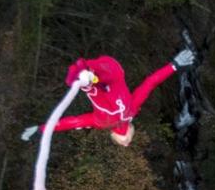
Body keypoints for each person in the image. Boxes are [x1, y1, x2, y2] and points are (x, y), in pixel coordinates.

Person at [21, 49, 195, 146]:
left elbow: (150, 83)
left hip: (108, 75)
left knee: (96, 87)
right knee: (94, 86)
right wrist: (41, 130)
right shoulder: (105, 120)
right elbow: (69, 122)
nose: (126, 141)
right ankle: (88, 76)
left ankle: (88, 76)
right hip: (103, 78)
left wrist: (174, 66)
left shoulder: (130, 111)